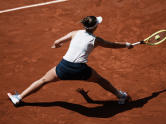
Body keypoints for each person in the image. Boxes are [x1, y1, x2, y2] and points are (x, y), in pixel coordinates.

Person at [7, 16, 143, 106]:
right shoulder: (96, 40)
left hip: (63, 67)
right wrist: (127, 44)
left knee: (43, 80)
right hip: (80, 70)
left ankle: (18, 98)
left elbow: (57, 41)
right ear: (95, 27)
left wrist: (57, 45)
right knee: (101, 81)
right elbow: (113, 45)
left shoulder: (74, 33)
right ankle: (121, 96)